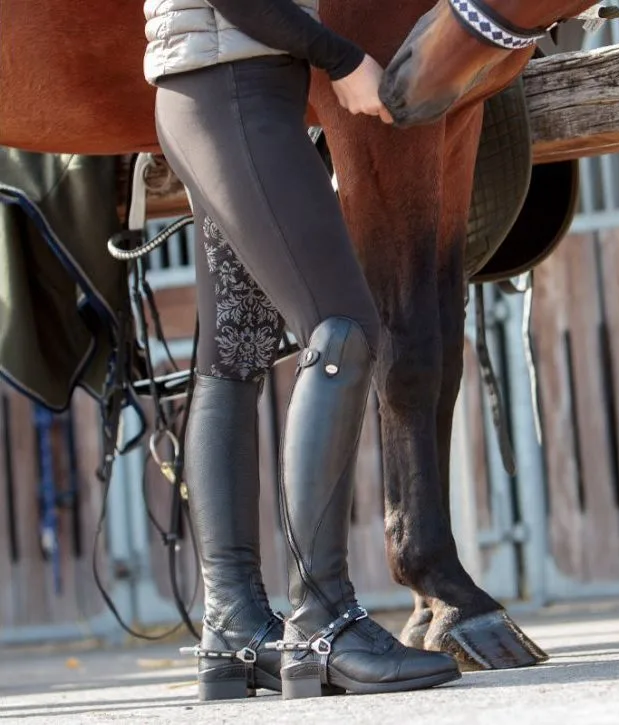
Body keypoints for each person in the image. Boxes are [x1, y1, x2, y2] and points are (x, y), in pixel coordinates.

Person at [142, 0, 461, 702]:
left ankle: (233, 629)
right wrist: (340, 57)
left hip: (215, 93)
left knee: (233, 357)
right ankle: (324, 624)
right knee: (341, 329)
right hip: (235, 90)